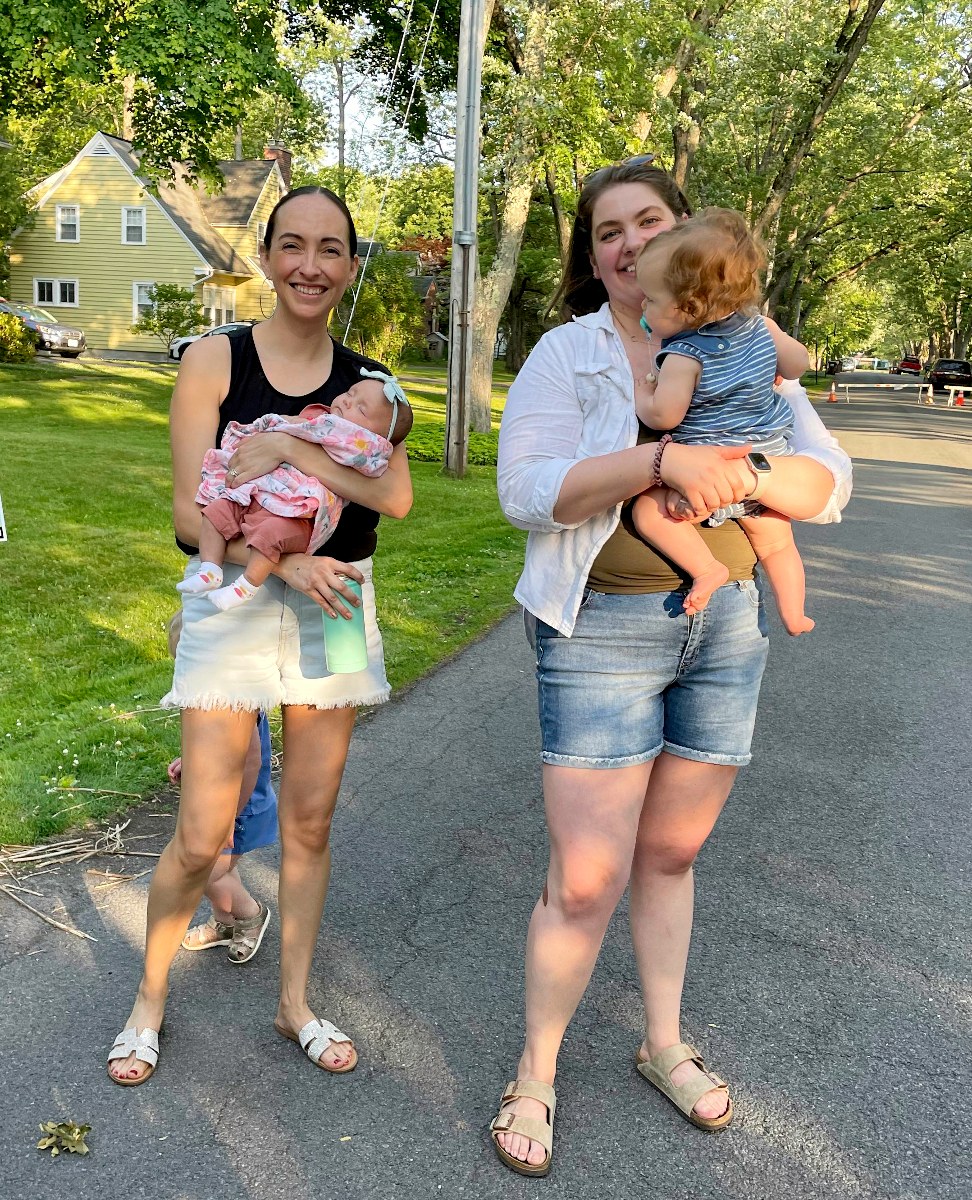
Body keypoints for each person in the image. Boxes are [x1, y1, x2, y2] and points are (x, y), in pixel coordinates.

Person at [492, 159, 851, 1175]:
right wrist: (662, 464)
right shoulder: (570, 354)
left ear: (680, 236)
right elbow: (528, 493)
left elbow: (831, 483)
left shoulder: (741, 336)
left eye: (646, 220)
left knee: (671, 856)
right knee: (585, 877)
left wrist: (740, 470)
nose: (626, 239)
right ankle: (536, 1071)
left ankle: (662, 1044)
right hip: (600, 628)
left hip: (727, 622)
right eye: (607, 229)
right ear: (595, 258)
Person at [107, 185, 413, 1086]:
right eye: (292, 245)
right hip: (237, 594)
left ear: (351, 266)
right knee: (201, 834)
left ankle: (295, 1006)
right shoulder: (214, 358)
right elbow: (183, 505)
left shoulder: (373, 385)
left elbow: (393, 498)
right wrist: (281, 564)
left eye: (330, 250)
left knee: (310, 825)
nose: (309, 266)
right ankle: (148, 1004)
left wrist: (289, 453)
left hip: (341, 602)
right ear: (269, 256)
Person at [630, 207, 815, 634]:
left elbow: (665, 414)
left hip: (707, 470)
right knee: (776, 540)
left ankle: (706, 567)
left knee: (649, 512)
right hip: (767, 457)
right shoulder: (760, 327)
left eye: (652, 299)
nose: (643, 304)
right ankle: (794, 613)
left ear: (688, 307)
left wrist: (644, 392)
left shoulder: (683, 355)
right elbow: (797, 364)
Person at [178, 370, 412, 611]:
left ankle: (245, 587)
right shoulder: (319, 415)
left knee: (269, 535)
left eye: (361, 409)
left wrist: (286, 444)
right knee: (216, 512)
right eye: (349, 393)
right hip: (258, 492)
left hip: (295, 510)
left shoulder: (362, 446)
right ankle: (210, 569)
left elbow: (393, 495)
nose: (347, 401)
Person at [164, 611, 277, 963]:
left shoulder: (239, 703)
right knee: (216, 868)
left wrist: (228, 817)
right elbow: (211, 748)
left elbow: (249, 762)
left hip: (240, 808)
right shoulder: (208, 698)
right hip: (218, 805)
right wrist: (191, 764)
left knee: (202, 872)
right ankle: (225, 921)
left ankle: (248, 915)